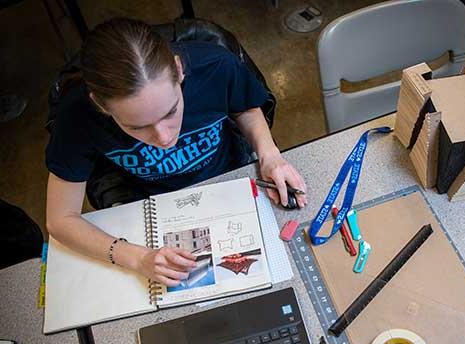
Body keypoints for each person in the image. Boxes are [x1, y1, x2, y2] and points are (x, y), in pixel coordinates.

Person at [45, 18, 307, 287]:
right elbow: (60, 219)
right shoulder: (76, 116)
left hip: (226, 180)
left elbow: (245, 108)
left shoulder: (216, 66)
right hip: (147, 204)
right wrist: (137, 258)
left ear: (179, 69)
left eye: (170, 111)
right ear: (101, 105)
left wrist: (270, 155)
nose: (165, 137)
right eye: (137, 127)